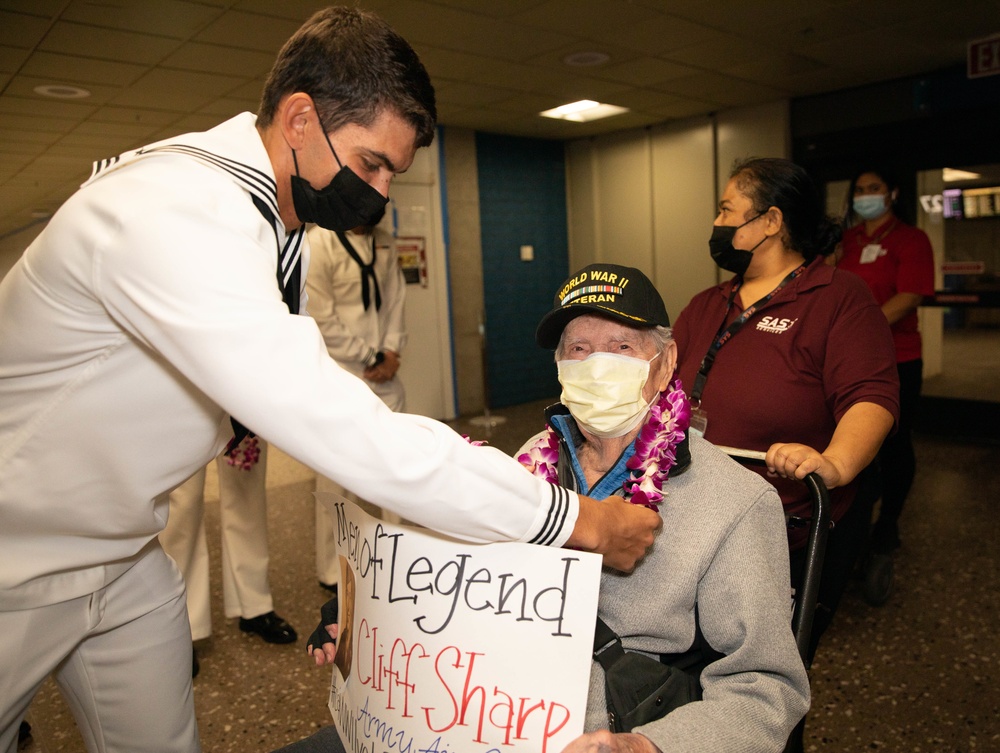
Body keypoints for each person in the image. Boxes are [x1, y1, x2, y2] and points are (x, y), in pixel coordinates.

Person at [0, 8, 659, 753]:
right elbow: (346, 425)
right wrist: (573, 518)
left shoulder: (279, 224)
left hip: (120, 550)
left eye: (393, 174)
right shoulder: (175, 210)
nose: (378, 191)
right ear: (300, 118)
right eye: (371, 162)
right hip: (15, 553)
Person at [293, 263, 810, 753]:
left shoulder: (735, 502)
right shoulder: (526, 464)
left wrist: (652, 745)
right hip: (476, 704)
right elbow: (467, 581)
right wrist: (376, 608)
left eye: (620, 347)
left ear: (666, 363)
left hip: (604, 727)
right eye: (578, 349)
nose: (595, 366)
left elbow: (767, 688)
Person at [673, 157, 899, 749]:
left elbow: (871, 397)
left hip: (790, 531)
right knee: (692, 679)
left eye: (727, 211)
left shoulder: (838, 298)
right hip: (698, 526)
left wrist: (835, 462)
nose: (717, 223)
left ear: (770, 220)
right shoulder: (707, 304)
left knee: (762, 693)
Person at [836, 168, 934, 555]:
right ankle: (854, 520)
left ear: (892, 193)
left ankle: (888, 523)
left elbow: (910, 295)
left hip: (899, 358)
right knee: (855, 442)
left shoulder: (911, 239)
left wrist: (863, 327)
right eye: (859, 190)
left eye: (873, 189)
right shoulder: (847, 240)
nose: (865, 196)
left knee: (893, 444)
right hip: (849, 360)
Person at [305, 222, 407, 591]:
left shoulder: (384, 241)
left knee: (397, 469)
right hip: (340, 373)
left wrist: (391, 351)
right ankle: (332, 570)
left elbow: (396, 300)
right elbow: (320, 316)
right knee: (337, 477)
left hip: (385, 374)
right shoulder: (320, 242)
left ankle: (401, 559)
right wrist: (368, 355)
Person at [160, 437, 297, 678]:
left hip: (241, 401)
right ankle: (184, 624)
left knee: (246, 486)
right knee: (183, 501)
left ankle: (254, 604)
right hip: (181, 402)